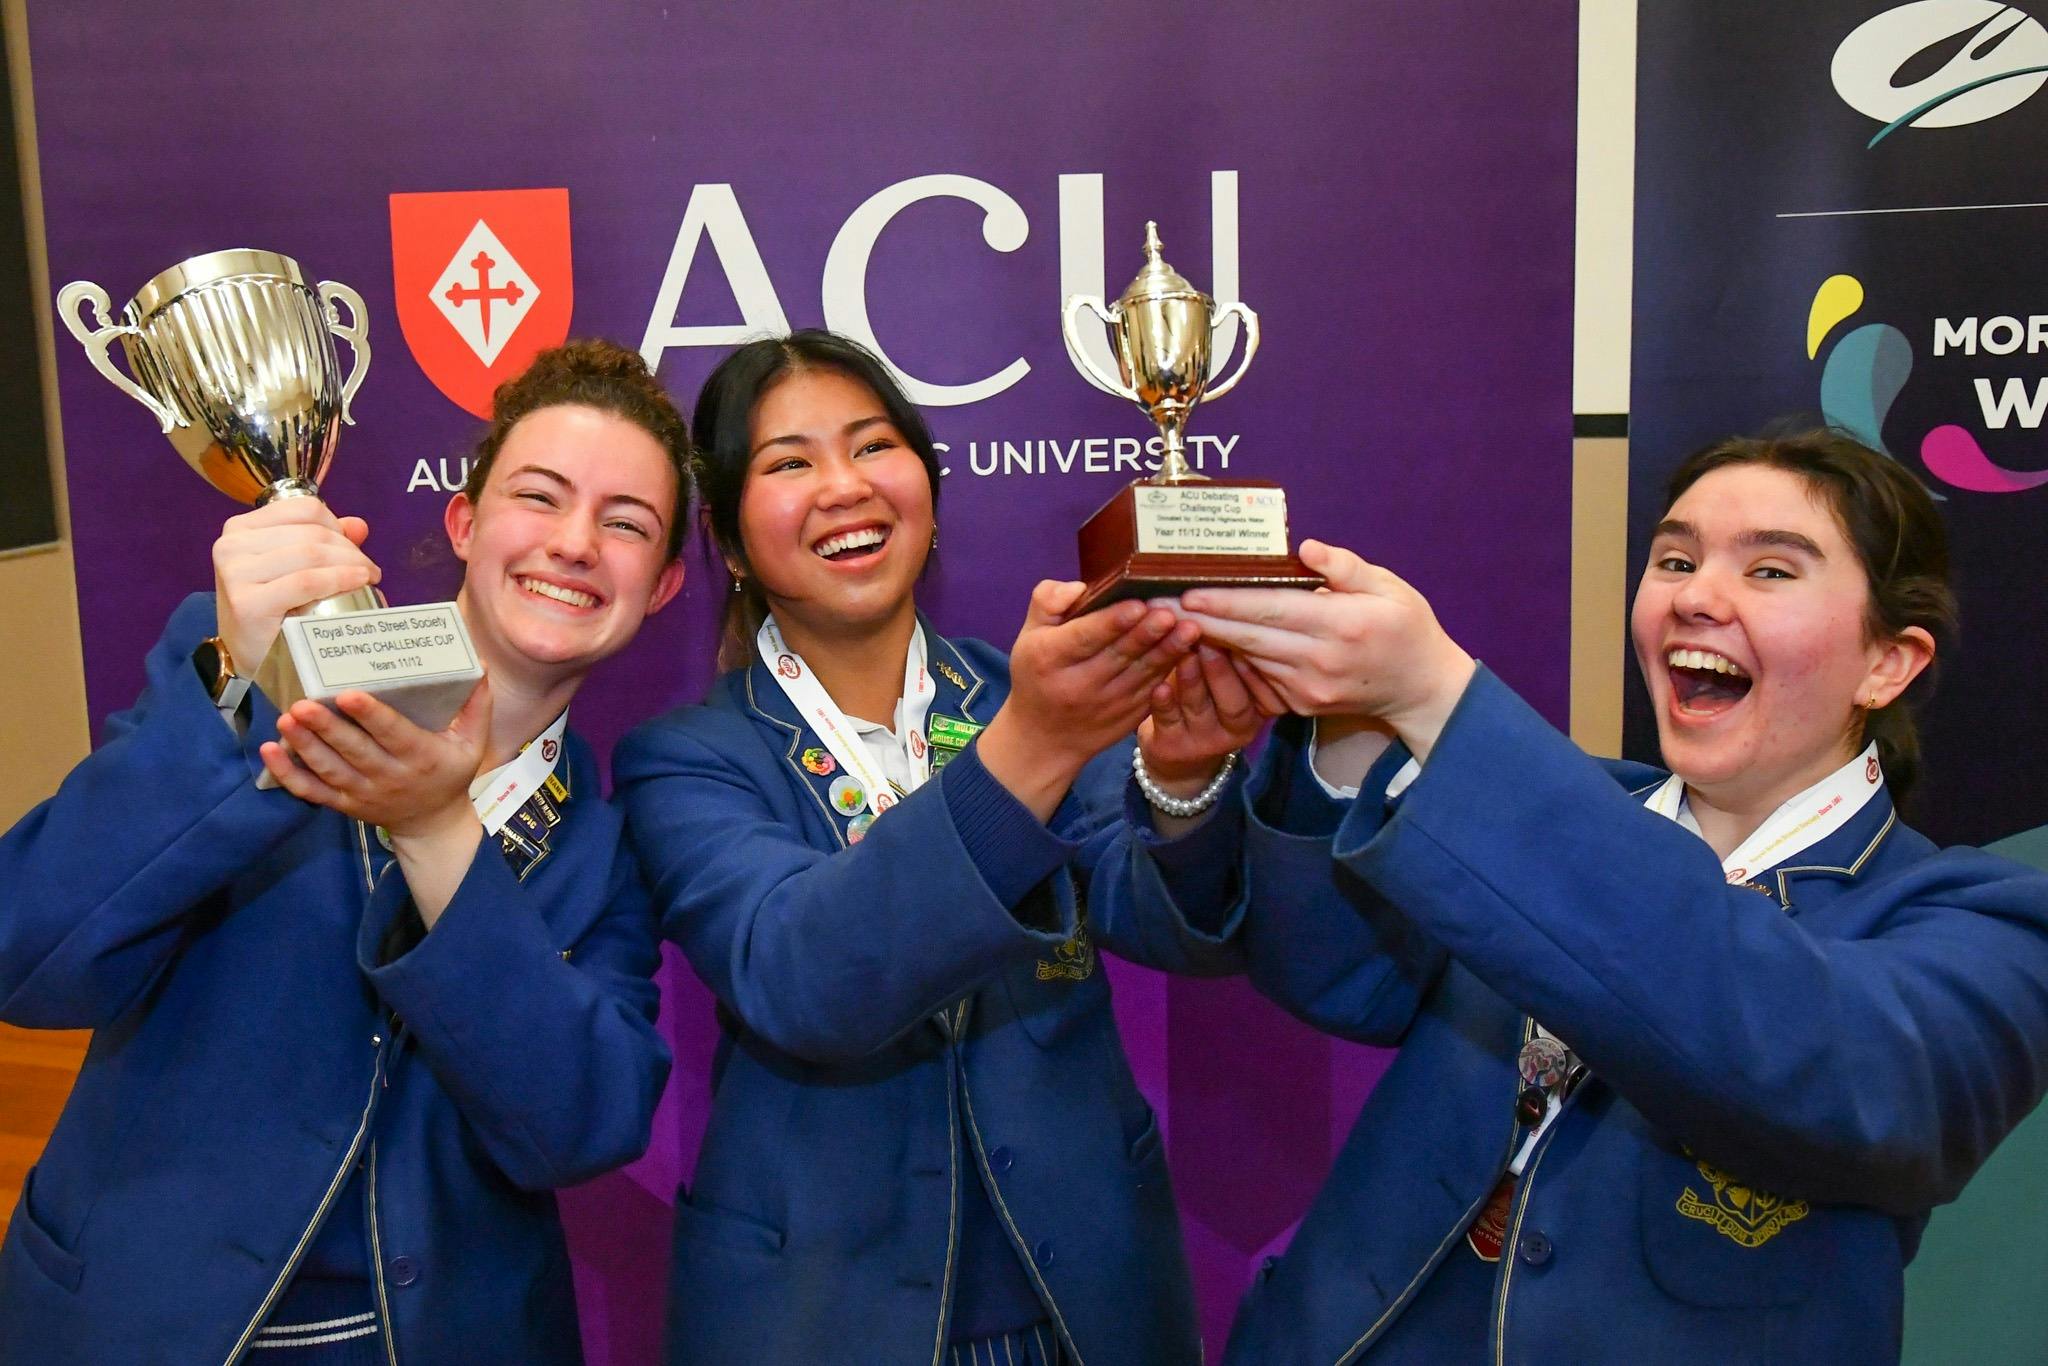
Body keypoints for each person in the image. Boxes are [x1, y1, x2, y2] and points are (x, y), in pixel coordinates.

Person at [1176, 430, 2048, 1363]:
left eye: (1771, 572)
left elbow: (1805, 1058)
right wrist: (1351, 721)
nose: (1695, 597)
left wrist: (1438, 698)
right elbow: (1337, 978)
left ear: (1889, 663)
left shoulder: (1984, 926)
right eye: (1675, 558)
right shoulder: (1551, 811)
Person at [0, 340, 688, 1364]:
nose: (575, 543)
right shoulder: (237, 662)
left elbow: (578, 1127)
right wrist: (250, 677)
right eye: (538, 497)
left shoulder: (609, 842)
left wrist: (436, 829)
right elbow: (28, 952)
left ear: (664, 584)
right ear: (464, 521)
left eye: (624, 523)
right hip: (141, 1318)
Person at [613, 329, 1263, 1365]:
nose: (843, 486)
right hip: (818, 1316)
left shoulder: (1015, 690)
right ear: (728, 539)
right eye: (788, 462)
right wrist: (1030, 750)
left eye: (873, 446)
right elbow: (803, 974)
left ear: (924, 482)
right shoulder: (686, 759)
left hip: (1081, 1303)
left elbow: (1174, 918)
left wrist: (1180, 780)